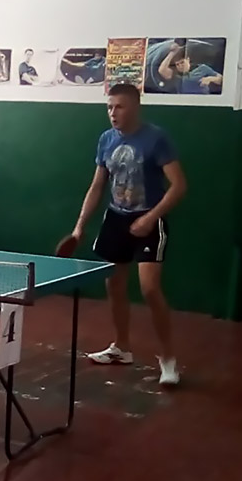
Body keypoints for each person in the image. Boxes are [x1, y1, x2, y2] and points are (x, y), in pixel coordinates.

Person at [69, 82, 187, 386]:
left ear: (135, 107)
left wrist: (150, 218)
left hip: (149, 219)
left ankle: (168, 359)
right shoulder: (106, 139)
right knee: (114, 285)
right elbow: (97, 186)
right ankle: (121, 347)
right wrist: (80, 226)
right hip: (116, 219)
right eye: (109, 107)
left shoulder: (156, 138)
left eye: (119, 107)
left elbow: (179, 186)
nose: (113, 113)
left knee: (149, 289)